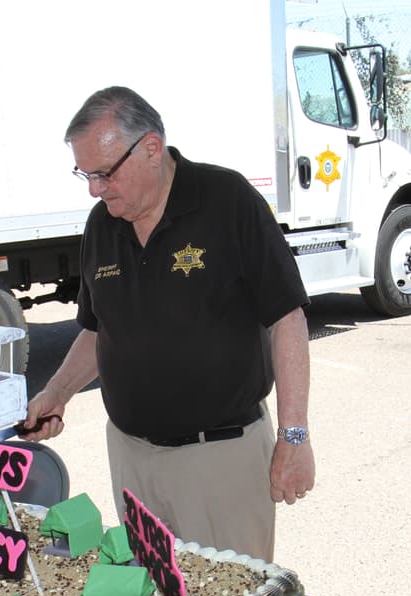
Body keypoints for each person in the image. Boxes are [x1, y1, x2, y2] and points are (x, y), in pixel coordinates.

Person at [22, 87, 315, 561]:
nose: (95, 189)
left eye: (103, 173)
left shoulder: (228, 201)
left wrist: (294, 435)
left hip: (219, 460)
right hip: (131, 457)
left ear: (152, 148)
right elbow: (98, 329)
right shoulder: (102, 225)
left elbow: (287, 319)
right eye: (86, 175)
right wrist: (55, 395)